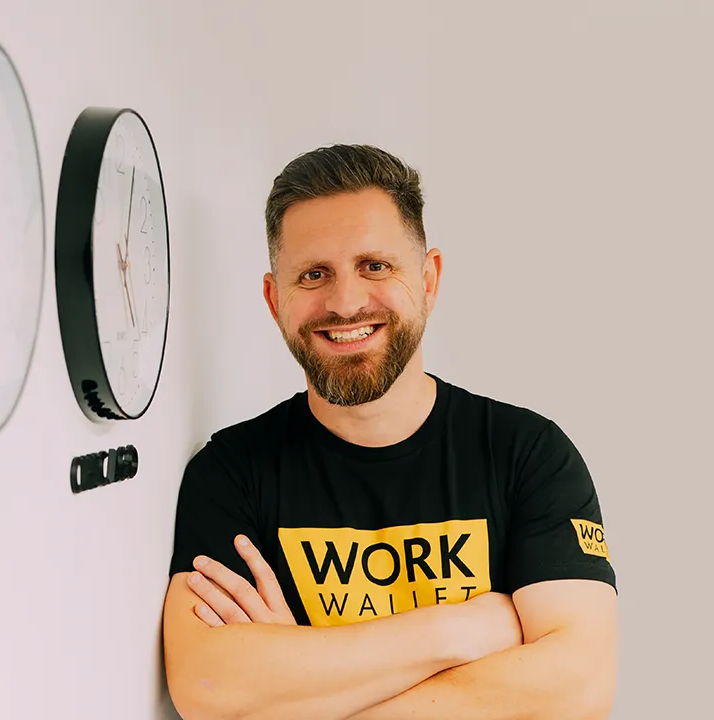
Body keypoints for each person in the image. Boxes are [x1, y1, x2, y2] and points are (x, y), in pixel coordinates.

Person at [161, 144, 618, 720]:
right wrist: (459, 629)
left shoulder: (528, 454)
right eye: (313, 274)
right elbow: (208, 687)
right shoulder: (231, 472)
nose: (346, 302)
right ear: (276, 300)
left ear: (428, 280)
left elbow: (578, 689)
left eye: (375, 266)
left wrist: (300, 691)